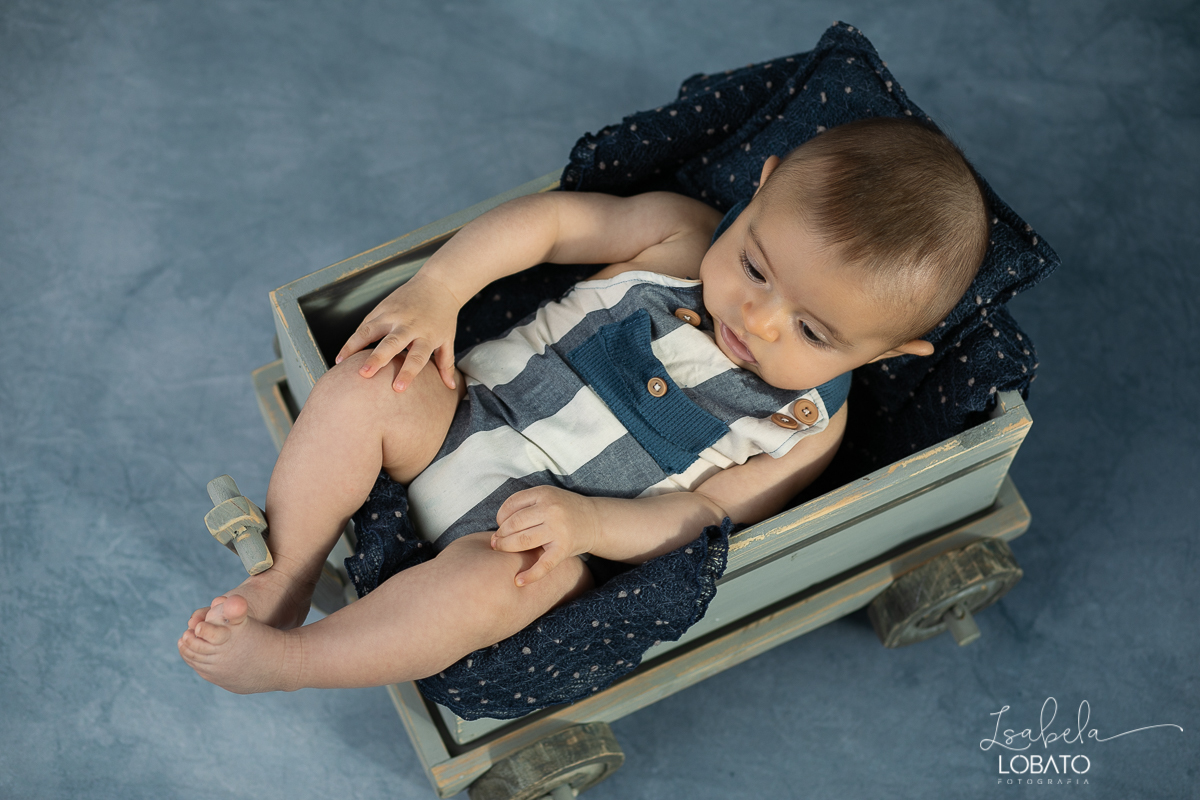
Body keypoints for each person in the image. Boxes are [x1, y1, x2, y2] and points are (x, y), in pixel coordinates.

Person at [178, 116, 988, 694]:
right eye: (756, 267)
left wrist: (589, 526)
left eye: (811, 330)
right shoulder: (677, 236)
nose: (759, 319)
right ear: (761, 190)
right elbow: (554, 225)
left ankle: (296, 662)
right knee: (370, 382)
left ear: (882, 355)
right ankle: (289, 575)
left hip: (537, 531)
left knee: (505, 590)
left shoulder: (803, 429)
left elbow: (703, 518)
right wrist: (440, 289)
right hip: (464, 414)